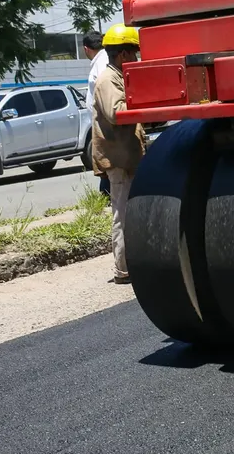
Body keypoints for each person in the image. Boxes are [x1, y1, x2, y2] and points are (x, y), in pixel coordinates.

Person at [91, 23, 146, 284]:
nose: (135, 58)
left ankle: (133, 264)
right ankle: (123, 269)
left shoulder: (116, 76)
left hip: (126, 156)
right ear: (123, 54)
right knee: (122, 214)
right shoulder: (108, 79)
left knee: (130, 213)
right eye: (133, 53)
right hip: (118, 159)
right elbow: (116, 112)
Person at [82, 30, 110, 198]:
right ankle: (105, 191)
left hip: (104, 120)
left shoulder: (102, 61)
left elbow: (104, 91)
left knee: (105, 158)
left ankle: (106, 192)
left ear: (86, 49)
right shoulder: (102, 59)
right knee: (104, 158)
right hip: (102, 118)